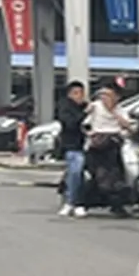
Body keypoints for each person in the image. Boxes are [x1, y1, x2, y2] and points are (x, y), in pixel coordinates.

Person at [82, 84, 134, 211]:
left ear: (117, 97)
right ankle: (85, 202)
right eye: (102, 95)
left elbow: (129, 126)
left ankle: (117, 204)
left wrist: (113, 113)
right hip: (97, 144)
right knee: (96, 174)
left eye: (108, 95)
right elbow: (84, 121)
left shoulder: (121, 110)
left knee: (116, 174)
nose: (104, 98)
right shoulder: (96, 107)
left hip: (114, 144)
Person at [54, 81, 88, 218]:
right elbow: (70, 123)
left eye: (81, 93)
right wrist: (84, 113)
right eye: (76, 93)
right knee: (75, 171)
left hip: (91, 145)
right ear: (69, 94)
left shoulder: (86, 106)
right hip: (72, 145)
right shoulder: (65, 107)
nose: (79, 96)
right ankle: (73, 202)